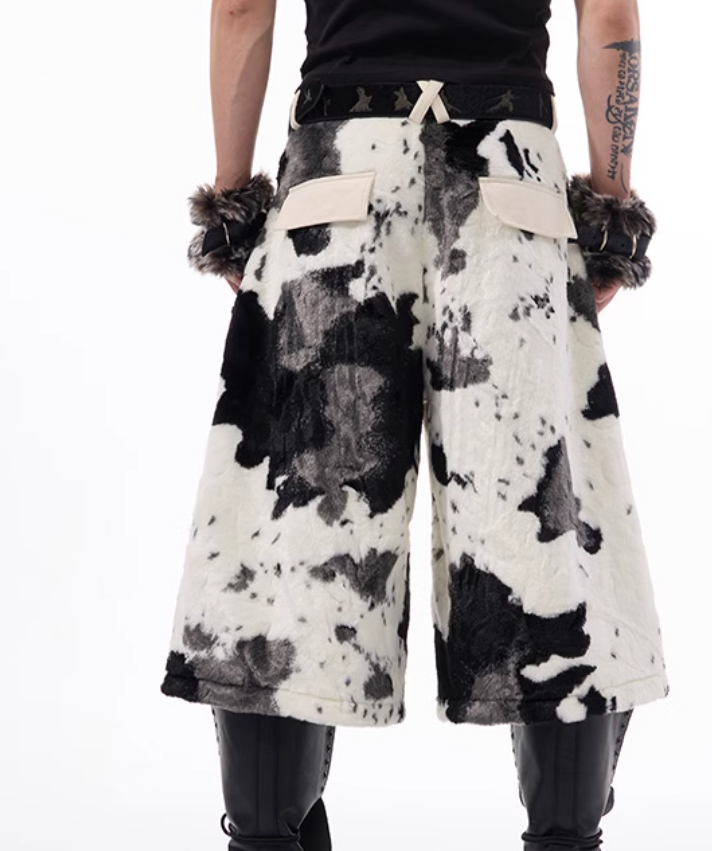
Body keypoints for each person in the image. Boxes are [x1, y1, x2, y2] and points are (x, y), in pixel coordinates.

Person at [160, 0, 670, 848]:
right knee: (546, 541)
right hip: (510, 179)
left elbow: (243, 9)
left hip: (337, 178)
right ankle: (566, 833)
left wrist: (233, 201)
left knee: (291, 553)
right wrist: (610, 207)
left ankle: (265, 832)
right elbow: (608, 14)